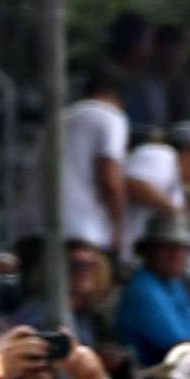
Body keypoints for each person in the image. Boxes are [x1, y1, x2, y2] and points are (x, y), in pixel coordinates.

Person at [114, 214, 190, 366]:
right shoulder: (143, 288)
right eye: (168, 247)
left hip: (178, 372)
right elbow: (182, 346)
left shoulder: (172, 282)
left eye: (182, 248)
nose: (177, 255)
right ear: (149, 251)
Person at [57, 68, 130, 258]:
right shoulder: (111, 117)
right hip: (79, 231)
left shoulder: (62, 117)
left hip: (31, 227)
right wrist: (119, 229)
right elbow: (109, 178)